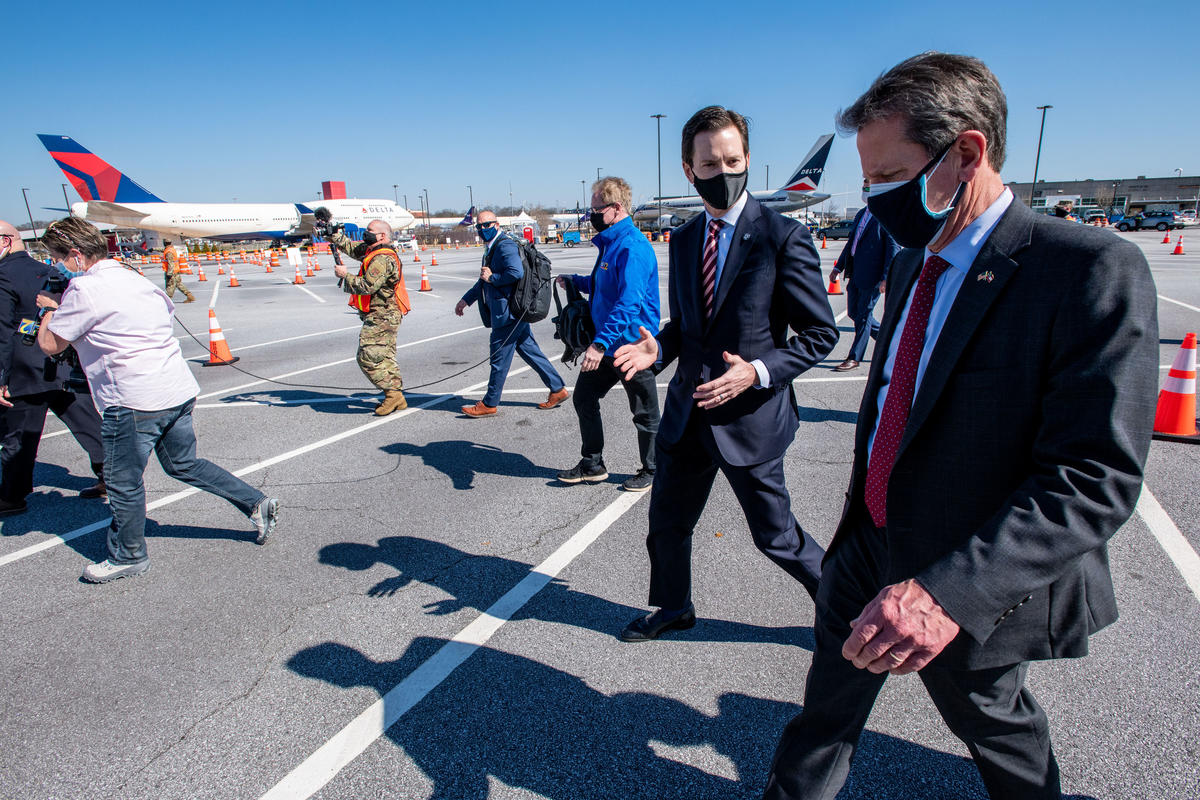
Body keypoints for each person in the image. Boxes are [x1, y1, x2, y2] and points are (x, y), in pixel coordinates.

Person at [762, 53, 1158, 800]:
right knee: (822, 719)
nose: (875, 198)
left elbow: (1094, 476)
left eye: (888, 176)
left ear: (967, 153)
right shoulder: (915, 263)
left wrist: (945, 595)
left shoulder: (1085, 269)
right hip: (867, 548)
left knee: (994, 728)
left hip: (967, 578)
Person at [613, 106, 838, 642]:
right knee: (666, 524)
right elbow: (688, 325)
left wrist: (756, 372)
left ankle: (847, 611)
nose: (723, 172)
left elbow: (818, 334)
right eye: (709, 164)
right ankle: (672, 607)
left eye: (732, 160)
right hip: (687, 413)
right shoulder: (687, 238)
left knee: (775, 536)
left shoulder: (783, 237)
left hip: (747, 415)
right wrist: (658, 349)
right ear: (689, 170)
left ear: (748, 161)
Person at [35, 217, 280, 583]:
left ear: (76, 255)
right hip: (175, 387)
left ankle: (128, 555)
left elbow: (51, 344)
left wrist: (49, 310)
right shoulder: (134, 278)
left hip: (133, 397)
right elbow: (166, 314)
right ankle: (254, 502)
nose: (55, 265)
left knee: (123, 482)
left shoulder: (83, 291)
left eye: (57, 258)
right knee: (184, 463)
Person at [555, 177, 661, 492]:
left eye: (595, 209)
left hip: (630, 347)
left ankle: (653, 469)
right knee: (585, 397)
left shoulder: (632, 247)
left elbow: (630, 302)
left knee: (644, 412)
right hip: (607, 346)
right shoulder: (611, 244)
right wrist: (575, 281)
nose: (591, 215)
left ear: (615, 209)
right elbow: (604, 286)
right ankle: (592, 463)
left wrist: (599, 344)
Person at [0, 220, 105, 514]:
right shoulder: (51, 271)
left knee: (19, 434)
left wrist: (1, 377)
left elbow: (3, 331)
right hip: (60, 360)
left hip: (24, 366)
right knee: (88, 424)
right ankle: (111, 478)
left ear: (5, 241)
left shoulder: (3, 276)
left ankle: (11, 495)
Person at [454, 210, 568, 417]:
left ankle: (489, 403)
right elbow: (483, 280)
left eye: (486, 225)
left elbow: (515, 272)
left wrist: (493, 278)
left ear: (496, 225)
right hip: (512, 314)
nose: (482, 229)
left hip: (507, 314)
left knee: (499, 358)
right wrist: (466, 300)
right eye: (479, 226)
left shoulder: (504, 245)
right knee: (530, 351)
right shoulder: (492, 247)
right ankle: (557, 388)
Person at [330, 220, 409, 416]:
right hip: (382, 314)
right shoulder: (373, 251)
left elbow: (367, 286)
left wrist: (344, 275)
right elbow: (351, 247)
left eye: (370, 231)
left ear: (382, 236)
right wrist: (334, 235)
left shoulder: (382, 258)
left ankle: (392, 393)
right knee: (384, 356)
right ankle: (395, 395)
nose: (366, 234)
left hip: (382, 315)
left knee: (367, 357)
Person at [826, 199, 901, 371]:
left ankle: (854, 357)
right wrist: (838, 267)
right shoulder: (861, 214)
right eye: (865, 183)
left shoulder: (885, 215)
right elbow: (852, 244)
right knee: (854, 313)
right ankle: (889, 340)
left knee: (864, 316)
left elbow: (893, 248)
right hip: (856, 274)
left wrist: (886, 277)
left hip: (873, 277)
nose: (866, 186)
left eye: (869, 183)